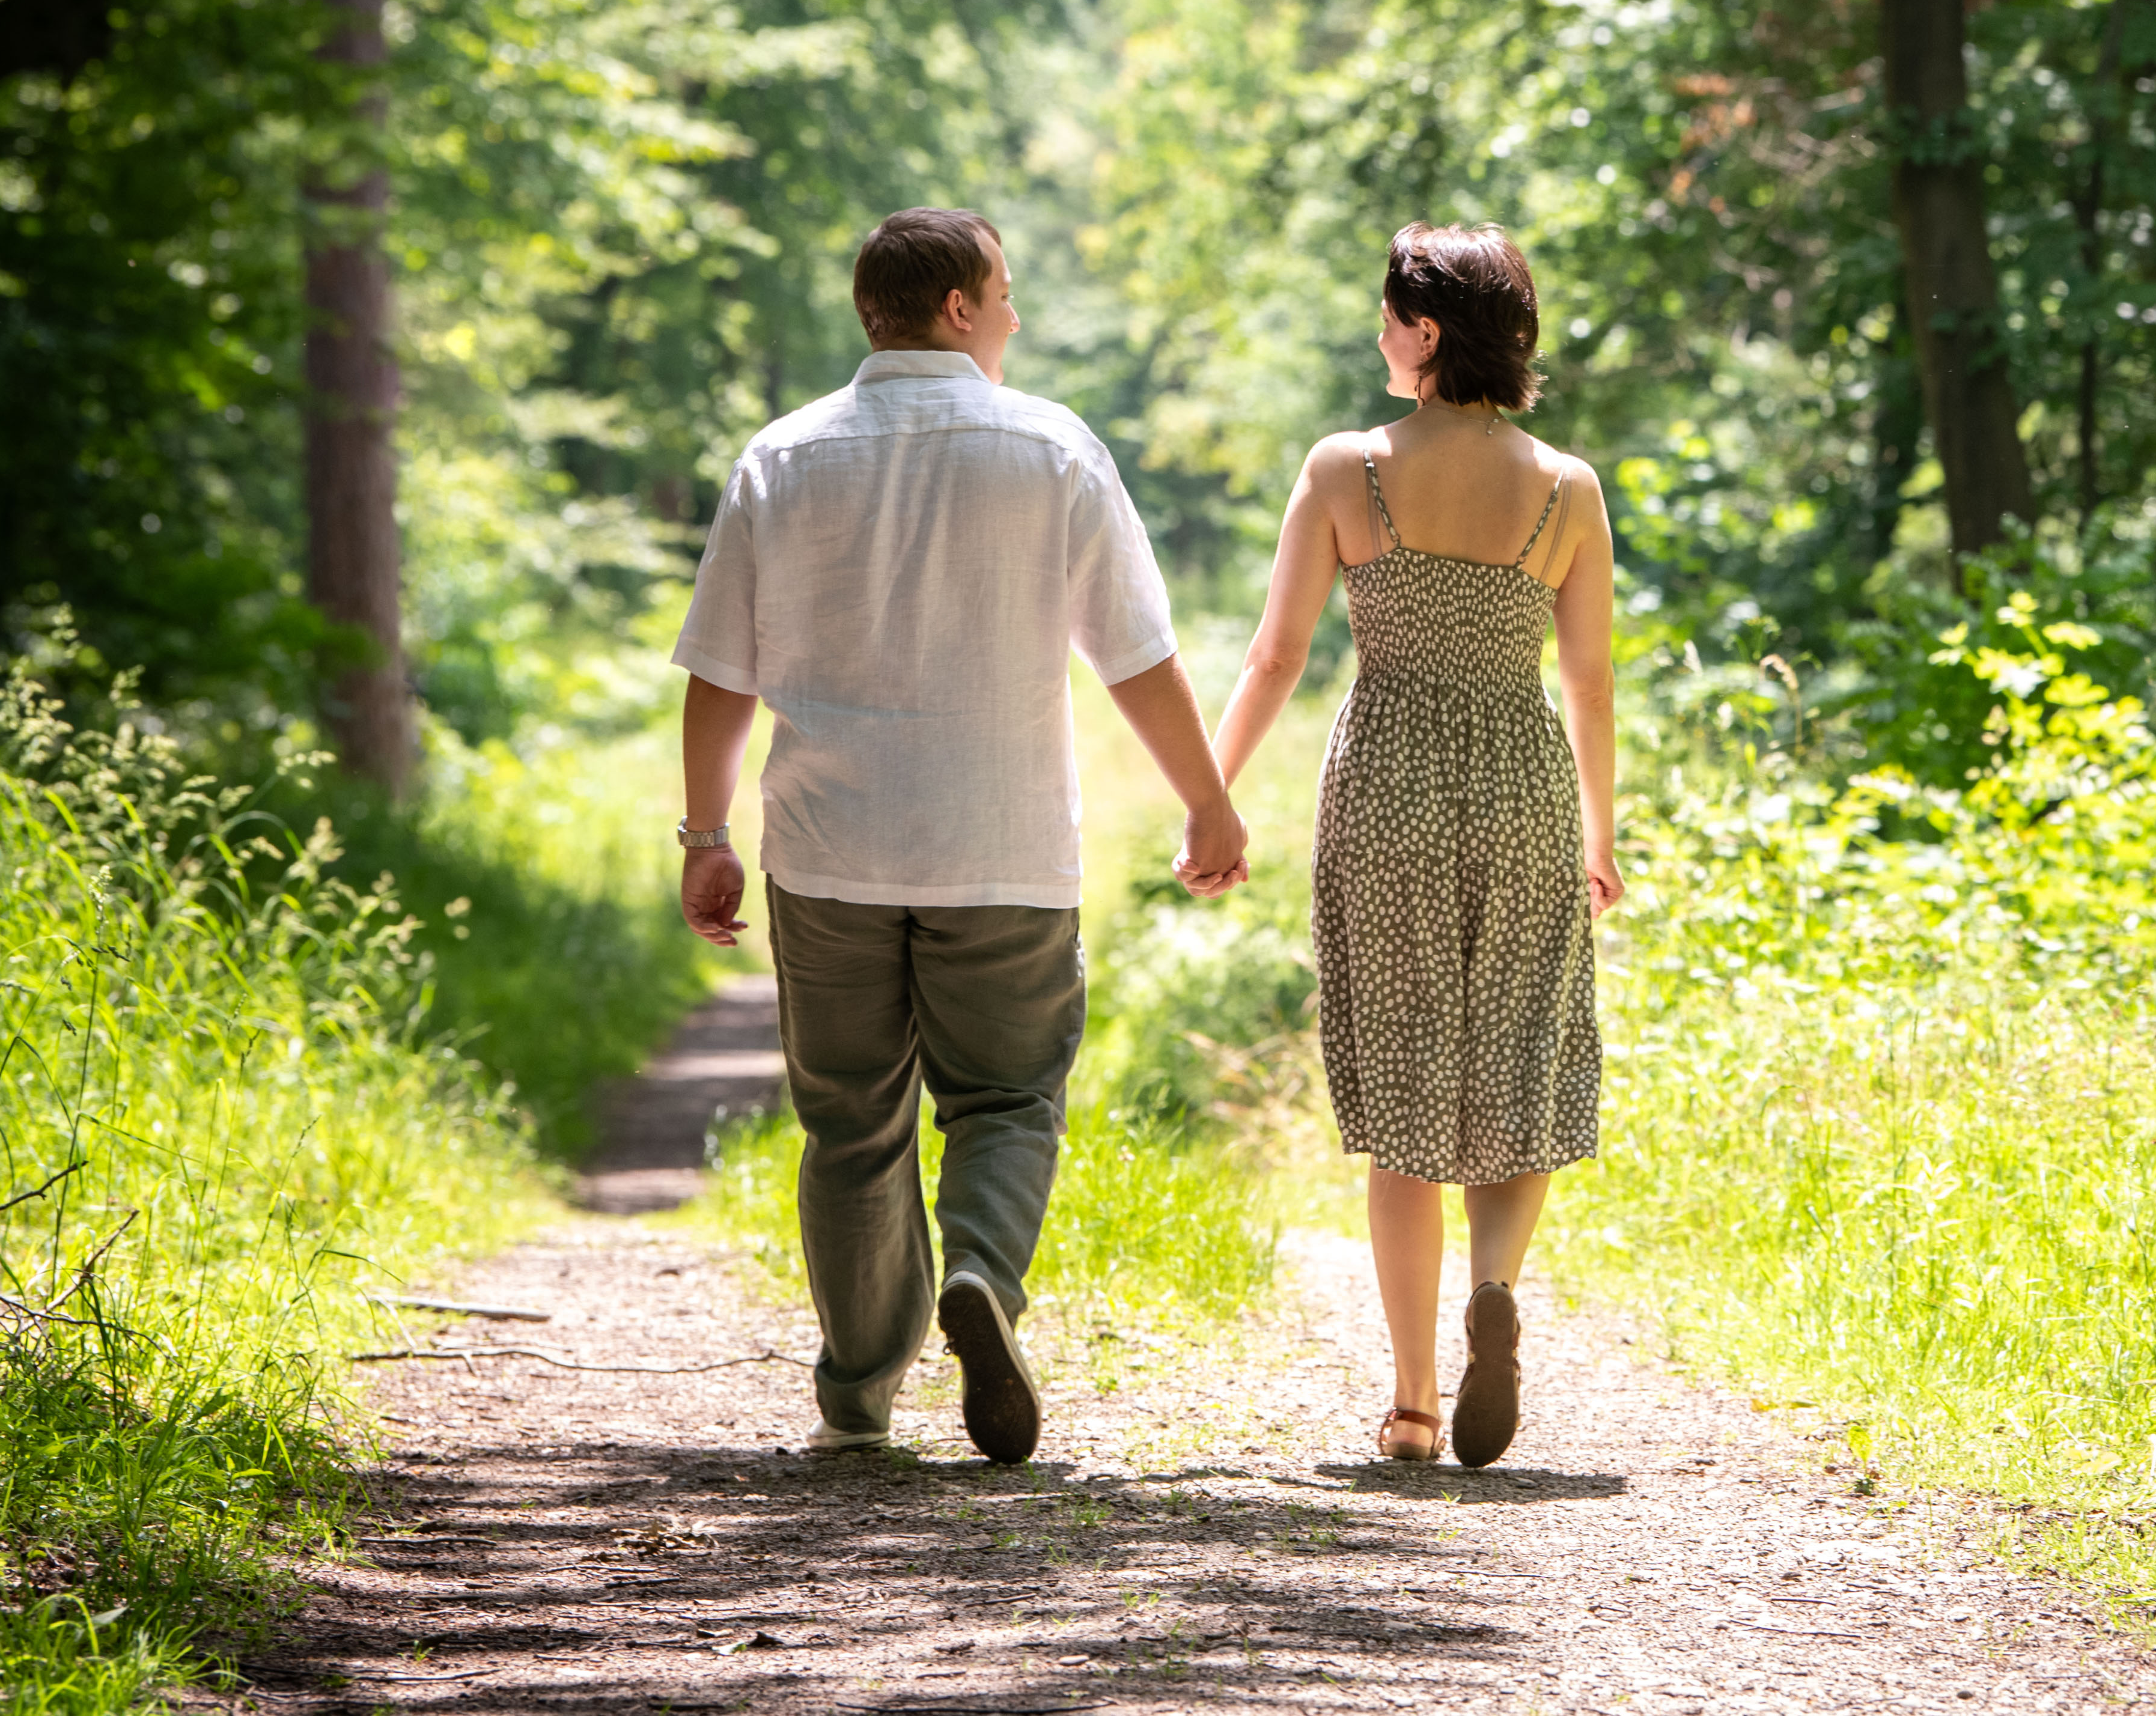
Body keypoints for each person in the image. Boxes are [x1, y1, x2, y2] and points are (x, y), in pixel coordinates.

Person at [667, 207, 1247, 1464]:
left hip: (830, 852)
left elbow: (720, 674)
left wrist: (705, 829)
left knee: (849, 1124)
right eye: (1006, 290)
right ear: (955, 308)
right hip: (1006, 849)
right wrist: (1206, 796)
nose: (1018, 314)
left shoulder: (784, 454)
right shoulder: (1052, 447)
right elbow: (1137, 654)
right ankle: (980, 1270)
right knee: (1007, 1093)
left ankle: (860, 1400)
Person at [1209, 222, 1618, 1468]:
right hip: (1524, 784)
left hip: (1387, 782)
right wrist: (1601, 832)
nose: (1379, 335)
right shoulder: (1568, 485)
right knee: (1517, 1060)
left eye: (1391, 316)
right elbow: (1592, 678)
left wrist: (1209, 792)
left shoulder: (1348, 468)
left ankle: (1413, 1401)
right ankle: (1495, 1284)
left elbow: (1275, 654)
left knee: (1405, 1092)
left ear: (1428, 329)